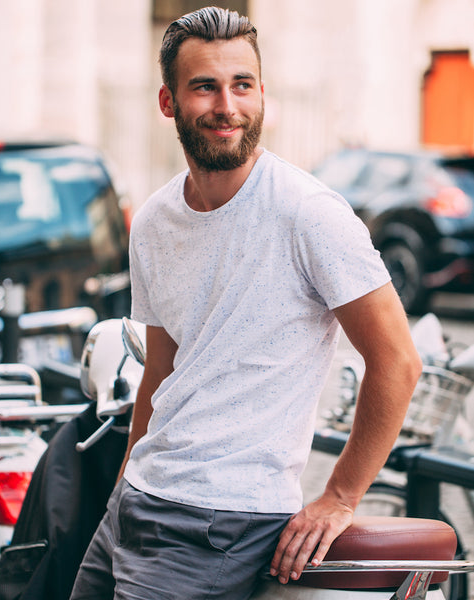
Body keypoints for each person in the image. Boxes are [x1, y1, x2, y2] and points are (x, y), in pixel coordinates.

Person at [70, 7, 422, 600]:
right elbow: (161, 371)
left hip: (220, 520)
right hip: (137, 501)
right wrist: (125, 484)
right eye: (205, 86)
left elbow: (398, 362)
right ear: (168, 102)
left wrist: (340, 496)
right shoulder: (155, 219)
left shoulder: (309, 213)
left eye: (243, 85)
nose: (226, 106)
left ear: (263, 95)